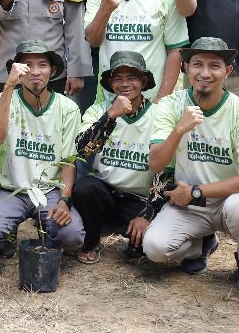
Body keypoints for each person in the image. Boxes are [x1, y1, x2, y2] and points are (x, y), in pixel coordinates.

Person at [143, 38, 239, 280]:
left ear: (228, 71)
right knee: (154, 248)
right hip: (190, 205)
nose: (205, 73)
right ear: (185, 67)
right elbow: (155, 164)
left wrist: (197, 191)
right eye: (197, 64)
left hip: (228, 199)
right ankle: (200, 246)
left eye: (215, 66)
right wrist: (179, 130)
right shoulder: (169, 105)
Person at [0, 41, 85, 258]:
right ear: (17, 69)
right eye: (27, 65)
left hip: (50, 190)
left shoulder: (68, 108)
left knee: (72, 237)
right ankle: (9, 231)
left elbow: (68, 161)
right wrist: (8, 86)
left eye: (42, 65)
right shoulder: (1, 100)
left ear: (52, 71)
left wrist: (64, 200)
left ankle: (48, 231)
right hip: (10, 189)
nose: (35, 72)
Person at [71, 51, 168, 264]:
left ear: (143, 81)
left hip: (140, 199)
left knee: (147, 248)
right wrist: (110, 116)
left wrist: (147, 214)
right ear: (110, 83)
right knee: (85, 186)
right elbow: (83, 150)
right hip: (106, 194)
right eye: (118, 78)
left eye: (132, 78)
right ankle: (93, 240)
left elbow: (166, 172)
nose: (125, 84)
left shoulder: (159, 115)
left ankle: (137, 234)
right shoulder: (98, 110)